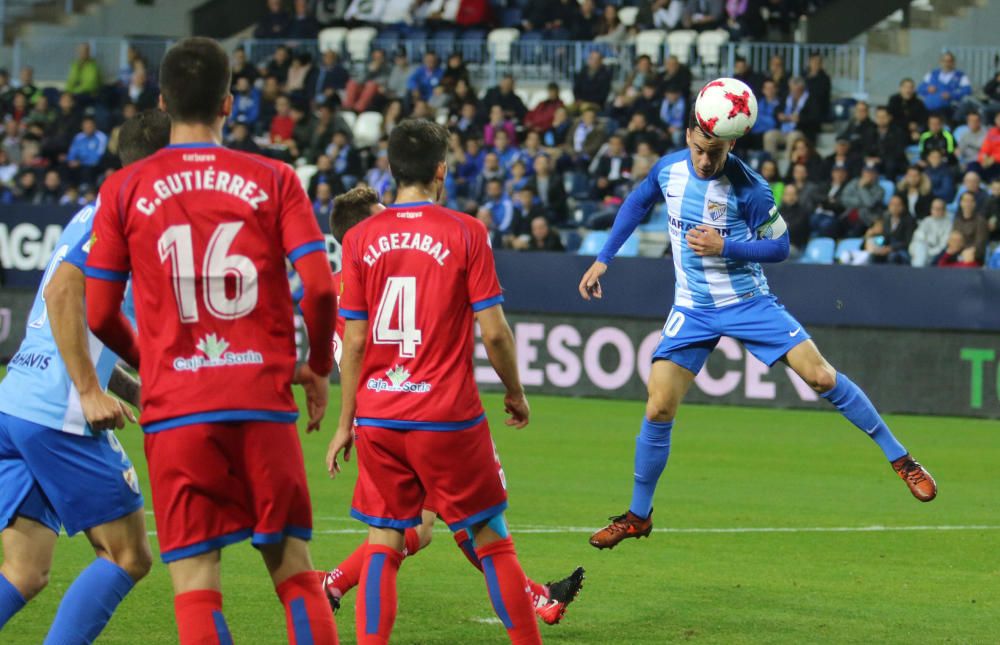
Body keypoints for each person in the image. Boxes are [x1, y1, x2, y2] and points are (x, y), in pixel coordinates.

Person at [577, 105, 937, 551]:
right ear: (689, 135)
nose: (704, 160)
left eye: (714, 152)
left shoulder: (750, 188)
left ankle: (902, 460)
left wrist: (725, 245)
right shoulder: (669, 169)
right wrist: (603, 259)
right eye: (699, 149)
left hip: (747, 302)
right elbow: (637, 202)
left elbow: (781, 246)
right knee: (658, 408)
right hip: (692, 308)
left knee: (821, 376)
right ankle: (638, 515)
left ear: (731, 144)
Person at [84, 38, 338, 644]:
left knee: (197, 583)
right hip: (260, 402)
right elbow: (321, 288)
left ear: (162, 101)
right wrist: (316, 366)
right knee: (295, 574)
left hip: (178, 411)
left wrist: (155, 361)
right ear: (229, 102)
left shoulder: (123, 189)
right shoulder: (275, 178)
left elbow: (98, 313)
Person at [320, 186, 584, 624]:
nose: (392, 222)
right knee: (463, 524)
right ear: (363, 230)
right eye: (382, 216)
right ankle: (535, 600)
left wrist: (347, 420)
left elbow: (348, 348)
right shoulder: (381, 275)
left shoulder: (340, 285)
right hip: (420, 409)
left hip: (378, 415)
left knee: (426, 526)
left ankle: (538, 596)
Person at [0, 111, 168, 644]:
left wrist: (132, 389)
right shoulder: (123, 213)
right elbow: (61, 295)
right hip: (58, 412)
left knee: (24, 570)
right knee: (128, 554)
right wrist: (90, 391)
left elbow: (87, 327)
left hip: (17, 403)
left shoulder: (91, 211)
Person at [863, 194, 915, 265]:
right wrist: (875, 243)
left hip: (901, 250)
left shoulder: (909, 220)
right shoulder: (886, 218)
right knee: (872, 255)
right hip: (886, 248)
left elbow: (908, 242)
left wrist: (891, 248)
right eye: (892, 204)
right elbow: (883, 238)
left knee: (893, 256)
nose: (894, 207)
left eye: (897, 205)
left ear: (903, 206)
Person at [917, 51, 971, 116]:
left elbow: (967, 90)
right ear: (940, 62)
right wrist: (927, 88)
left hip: (948, 111)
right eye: (944, 61)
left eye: (949, 61)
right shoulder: (932, 74)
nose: (946, 64)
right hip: (928, 111)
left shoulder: (960, 76)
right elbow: (920, 88)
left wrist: (951, 95)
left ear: (953, 62)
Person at [909, 197, 951, 266]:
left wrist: (926, 252)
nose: (936, 211)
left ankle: (917, 269)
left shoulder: (948, 224)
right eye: (934, 208)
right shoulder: (926, 220)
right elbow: (916, 238)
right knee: (919, 247)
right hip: (921, 250)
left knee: (920, 255)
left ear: (944, 210)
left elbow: (943, 246)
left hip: (935, 254)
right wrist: (916, 251)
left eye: (939, 209)